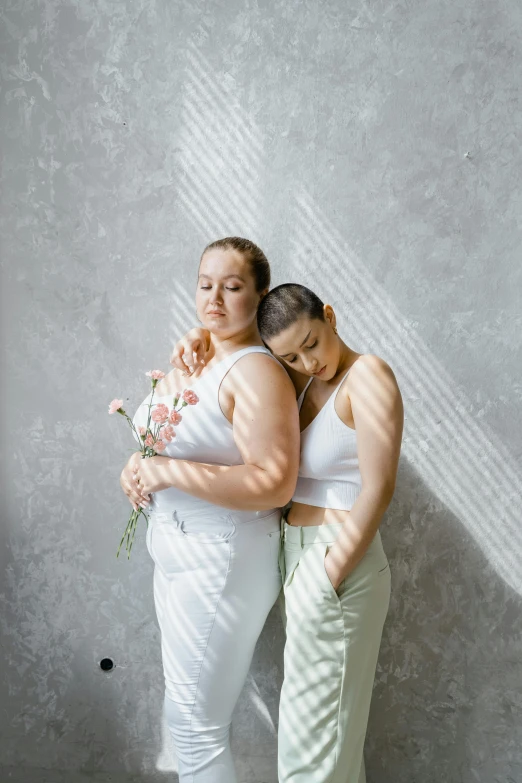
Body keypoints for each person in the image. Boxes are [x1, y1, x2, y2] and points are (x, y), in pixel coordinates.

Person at [171, 282, 403, 783]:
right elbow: (242, 343)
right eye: (291, 356)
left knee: (311, 746)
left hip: (339, 562)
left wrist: (328, 574)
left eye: (312, 343)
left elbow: (379, 488)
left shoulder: (368, 375)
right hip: (300, 558)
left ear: (331, 316)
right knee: (325, 738)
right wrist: (198, 336)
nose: (308, 361)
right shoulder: (300, 383)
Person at [119, 238, 300, 783]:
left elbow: (275, 482)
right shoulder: (199, 355)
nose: (214, 298)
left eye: (233, 286)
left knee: (196, 727)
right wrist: (136, 463)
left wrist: (166, 473)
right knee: (181, 719)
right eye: (205, 284)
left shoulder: (256, 373)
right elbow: (179, 440)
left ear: (261, 294)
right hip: (174, 551)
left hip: (221, 560)